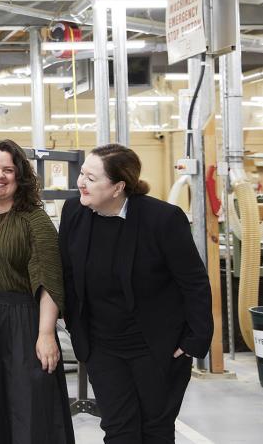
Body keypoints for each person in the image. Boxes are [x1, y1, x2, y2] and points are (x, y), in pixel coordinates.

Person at [59, 143, 213, 443]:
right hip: (101, 345)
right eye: (81, 174)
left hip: (156, 345)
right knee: (119, 428)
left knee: (155, 429)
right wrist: (72, 323)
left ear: (118, 186)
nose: (80, 182)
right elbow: (66, 271)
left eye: (91, 178)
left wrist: (195, 339)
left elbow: (193, 281)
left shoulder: (163, 219)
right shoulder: (74, 212)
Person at [0, 139, 74, 444]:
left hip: (22, 325)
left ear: (19, 176)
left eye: (8, 170)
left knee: (28, 408)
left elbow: (49, 279)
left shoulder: (33, 219)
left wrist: (46, 334)